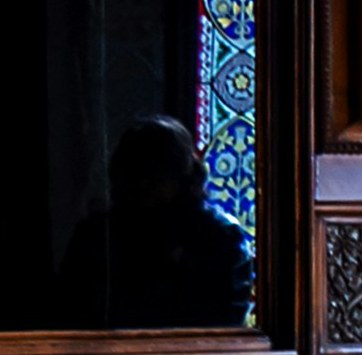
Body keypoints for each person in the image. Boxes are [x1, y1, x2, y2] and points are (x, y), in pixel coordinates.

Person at [54, 116, 251, 325]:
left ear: (182, 176)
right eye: (133, 174)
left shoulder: (220, 238)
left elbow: (222, 324)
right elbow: (70, 312)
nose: (143, 184)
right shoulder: (96, 234)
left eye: (155, 173)